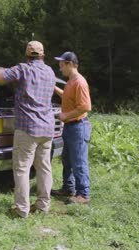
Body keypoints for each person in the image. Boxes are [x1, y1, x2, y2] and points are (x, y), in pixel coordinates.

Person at [0, 41, 56, 218]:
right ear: (43, 55)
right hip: (47, 127)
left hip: (27, 127)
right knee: (44, 168)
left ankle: (21, 209)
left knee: (21, 168)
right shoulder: (50, 71)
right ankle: (43, 206)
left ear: (27, 54)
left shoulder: (22, 69)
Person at [51, 51, 92, 204]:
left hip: (78, 127)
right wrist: (55, 88)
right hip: (70, 127)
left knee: (79, 162)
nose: (60, 67)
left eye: (61, 64)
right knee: (67, 160)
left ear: (69, 64)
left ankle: (84, 195)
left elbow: (85, 106)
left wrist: (65, 116)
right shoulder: (70, 81)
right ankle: (68, 188)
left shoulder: (79, 82)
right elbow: (68, 97)